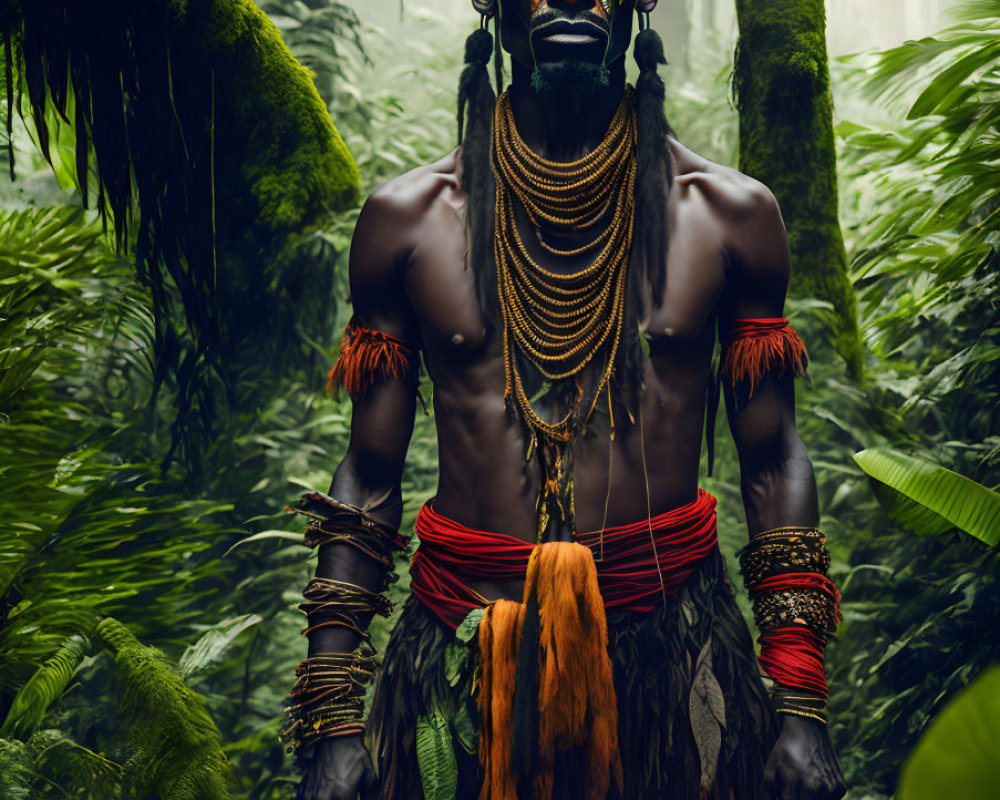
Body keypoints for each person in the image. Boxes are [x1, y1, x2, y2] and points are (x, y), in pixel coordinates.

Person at [285, 2, 847, 799]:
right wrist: (334, 716)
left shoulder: (729, 215)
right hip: (462, 654)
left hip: (671, 656)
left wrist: (801, 703)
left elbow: (772, 457)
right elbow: (369, 469)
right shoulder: (406, 220)